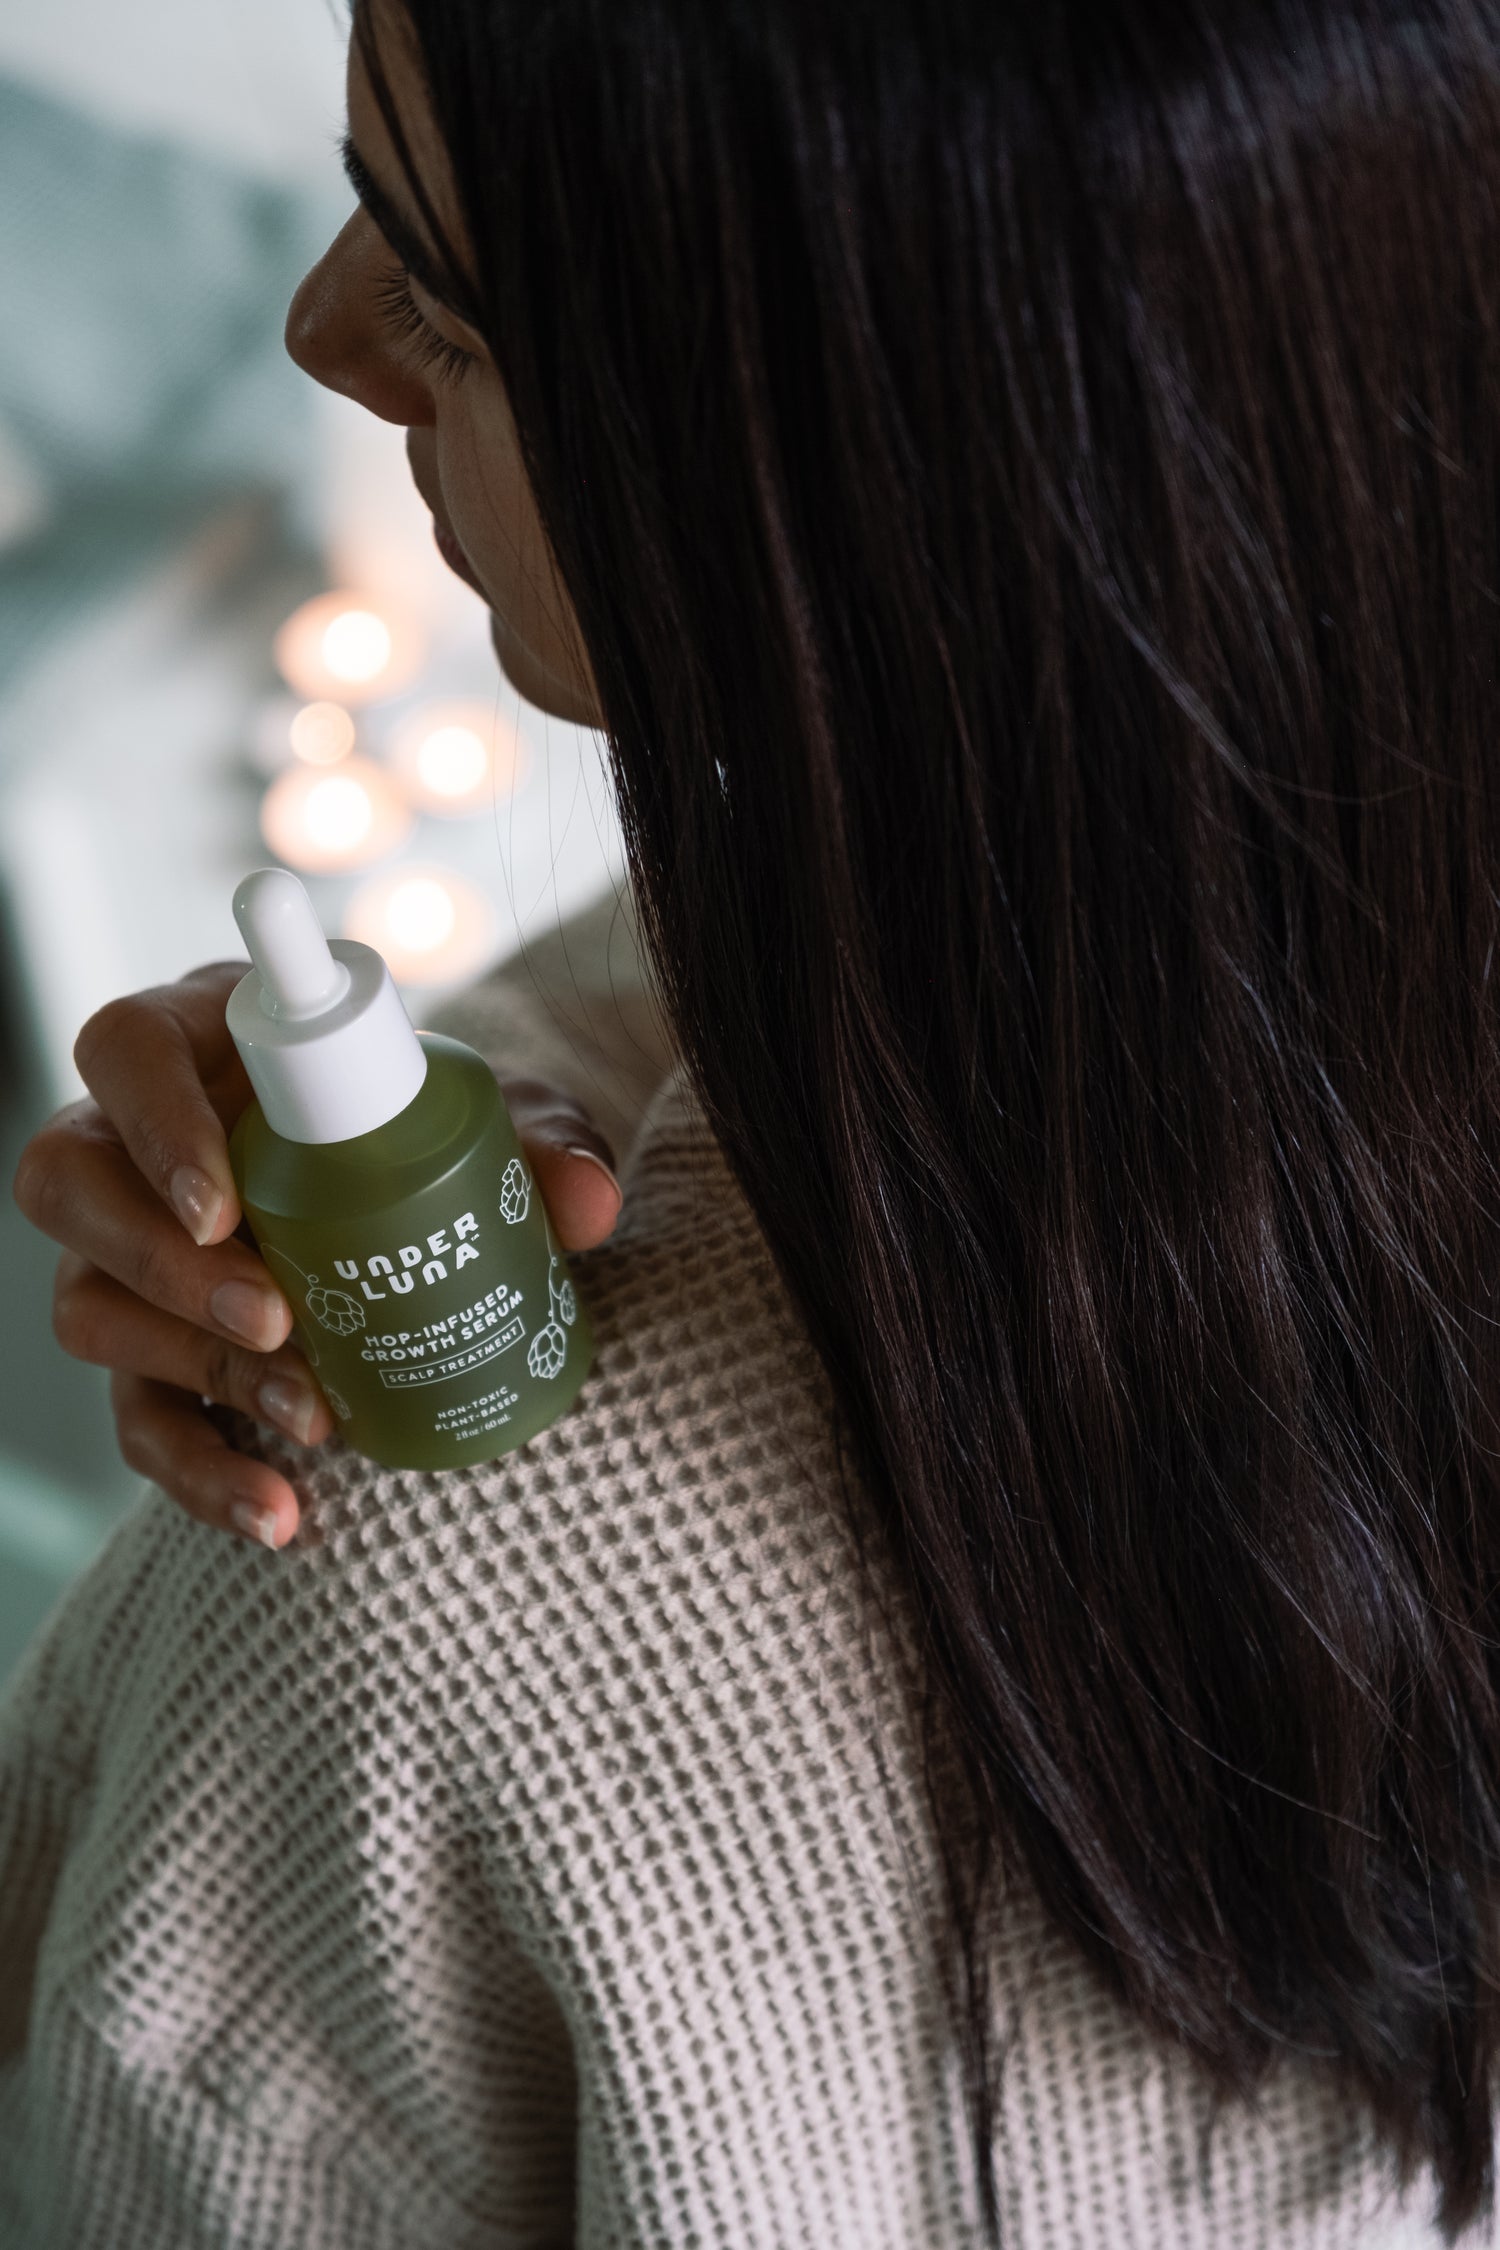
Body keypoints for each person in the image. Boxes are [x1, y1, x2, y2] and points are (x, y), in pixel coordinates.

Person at [6, 0, 1500, 2240]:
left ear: (905, 463)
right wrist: (491, 1096)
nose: (322, 335)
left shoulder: (399, 1632)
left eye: (444, 297)